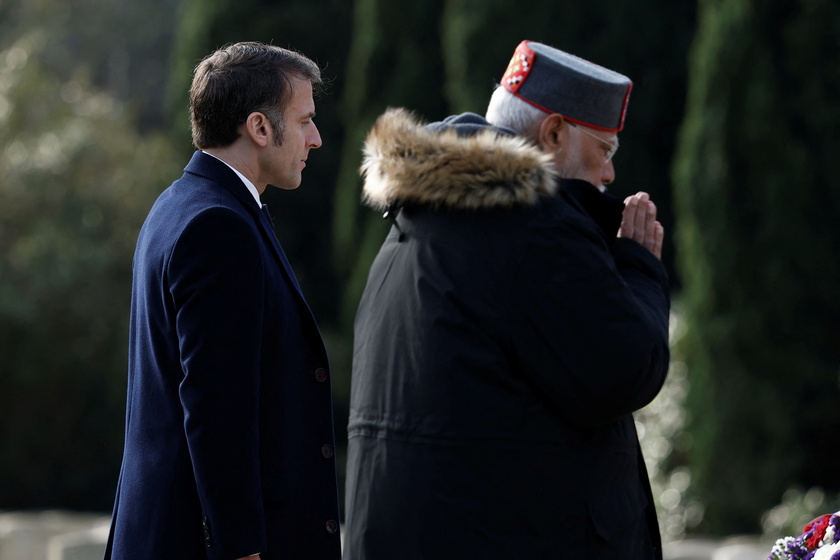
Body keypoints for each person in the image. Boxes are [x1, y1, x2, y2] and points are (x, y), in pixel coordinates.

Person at [343, 40, 670, 560]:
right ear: (555, 132)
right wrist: (640, 271)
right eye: (604, 151)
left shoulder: (416, 219)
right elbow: (625, 369)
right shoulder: (536, 227)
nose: (608, 175)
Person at [103, 42, 341, 560]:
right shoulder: (219, 225)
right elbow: (216, 410)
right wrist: (241, 548)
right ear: (259, 128)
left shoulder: (183, 204)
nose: (316, 139)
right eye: (304, 121)